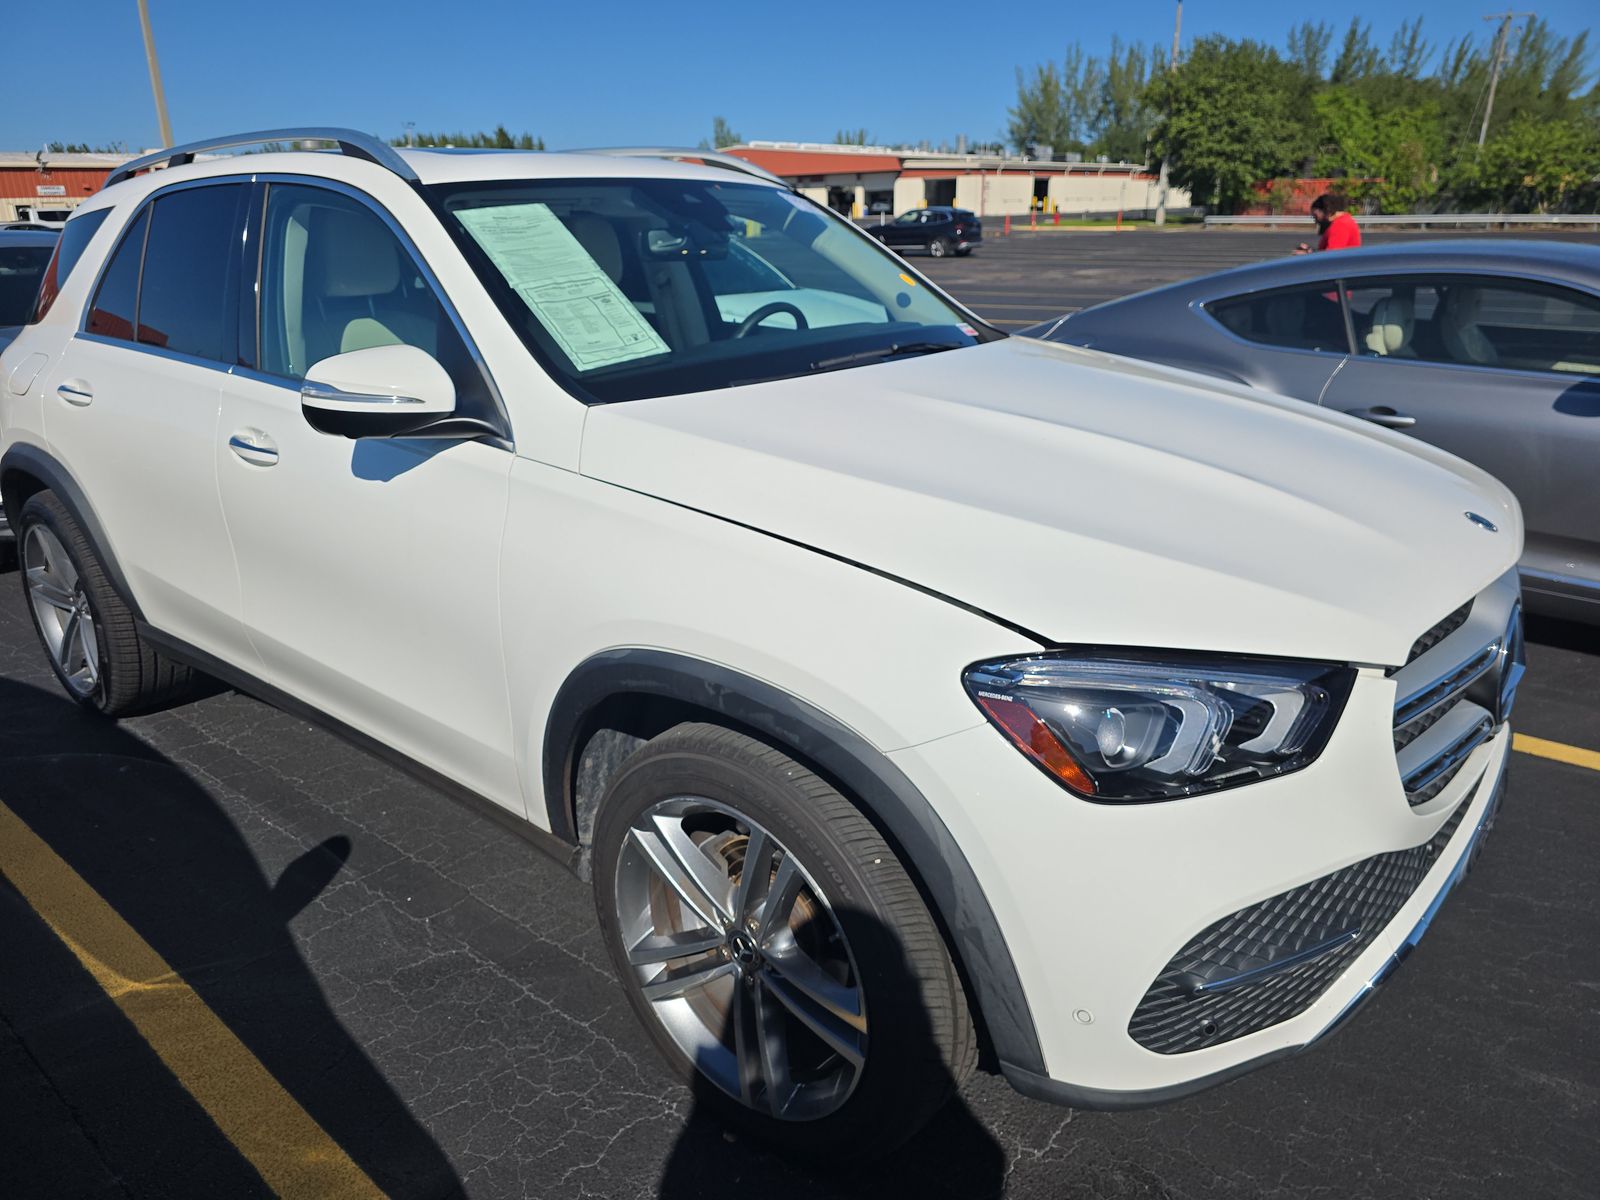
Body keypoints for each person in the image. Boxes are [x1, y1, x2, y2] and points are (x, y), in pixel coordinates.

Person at [1294, 193, 1361, 254]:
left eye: (1315, 215)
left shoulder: (1341, 225)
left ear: (1326, 210)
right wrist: (1310, 251)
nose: (1315, 220)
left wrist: (1308, 254)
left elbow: (1331, 257)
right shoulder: (1342, 221)